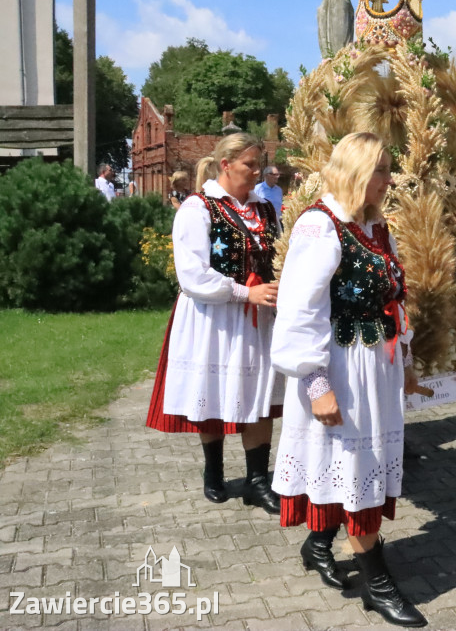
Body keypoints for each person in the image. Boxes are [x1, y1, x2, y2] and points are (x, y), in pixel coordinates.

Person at [270, 133, 426, 628]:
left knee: (356, 464)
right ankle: (377, 585)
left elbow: (395, 298)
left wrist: (405, 356)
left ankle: (319, 545)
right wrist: (317, 386)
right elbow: (300, 311)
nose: (389, 179)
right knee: (353, 465)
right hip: (339, 366)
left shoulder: (375, 227)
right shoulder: (321, 226)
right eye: (381, 169)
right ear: (356, 172)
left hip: (373, 366)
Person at [145, 133, 282, 515]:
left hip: (257, 317)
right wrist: (243, 293)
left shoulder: (265, 209)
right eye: (249, 165)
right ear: (226, 164)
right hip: (213, 316)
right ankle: (214, 473)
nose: (257, 173)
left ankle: (257, 479)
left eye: (259, 165)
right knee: (216, 391)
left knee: (260, 394)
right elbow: (192, 275)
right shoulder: (197, 207)